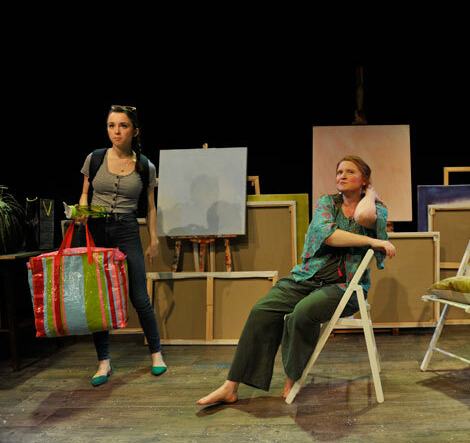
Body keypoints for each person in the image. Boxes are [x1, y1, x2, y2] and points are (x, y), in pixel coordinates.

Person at [197, 155, 396, 405]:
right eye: (339, 172)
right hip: (308, 277)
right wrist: (372, 241)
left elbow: (363, 218)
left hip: (345, 287)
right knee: (262, 311)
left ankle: (293, 377)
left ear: (364, 179)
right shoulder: (326, 203)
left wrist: (370, 193)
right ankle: (231, 386)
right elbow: (329, 236)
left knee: (302, 312)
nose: (341, 176)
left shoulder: (376, 208)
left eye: (350, 172)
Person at [76, 105, 167, 386]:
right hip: (94, 229)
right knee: (98, 296)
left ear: (134, 131)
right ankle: (104, 361)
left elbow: (150, 207)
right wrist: (81, 210)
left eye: (123, 125)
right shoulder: (95, 158)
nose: (116, 131)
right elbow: (84, 192)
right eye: (112, 125)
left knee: (139, 294)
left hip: (126, 228)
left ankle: (156, 354)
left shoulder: (144, 165)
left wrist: (153, 239)